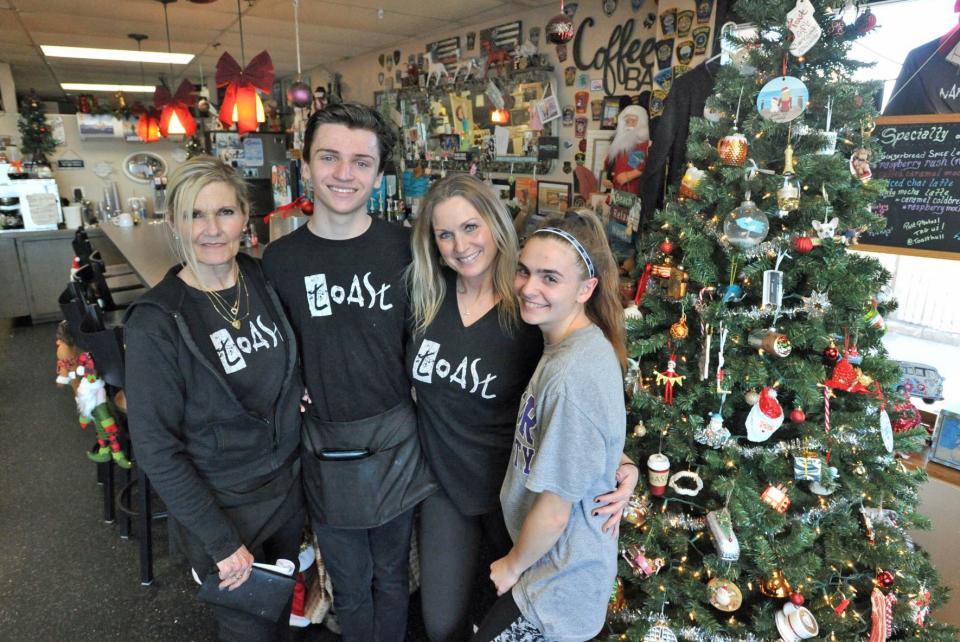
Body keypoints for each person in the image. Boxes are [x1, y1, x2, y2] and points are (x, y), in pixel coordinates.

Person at [408, 176, 638, 641]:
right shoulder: (425, 298)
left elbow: (578, 408)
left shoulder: (532, 313)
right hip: (446, 485)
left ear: (495, 227)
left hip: (516, 496)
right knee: (441, 619)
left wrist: (620, 459)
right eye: (444, 233)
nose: (460, 245)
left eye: (471, 227)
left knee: (496, 613)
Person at [262, 102, 436, 642]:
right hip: (324, 444)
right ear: (307, 164)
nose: (344, 174)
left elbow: (433, 339)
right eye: (330, 157)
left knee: (393, 574)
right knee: (349, 581)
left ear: (380, 173)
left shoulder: (407, 250)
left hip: (394, 436)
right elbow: (272, 354)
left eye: (361, 162)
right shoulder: (279, 260)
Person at [124, 156, 304, 641]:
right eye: (194, 215)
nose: (211, 230)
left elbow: (287, 359)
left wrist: (295, 390)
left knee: (286, 621)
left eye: (224, 212)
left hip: (286, 495)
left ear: (246, 217)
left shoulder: (260, 278)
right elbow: (157, 449)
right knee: (249, 632)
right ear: (172, 221)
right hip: (223, 509)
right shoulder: (157, 321)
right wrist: (222, 542)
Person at [473, 210, 628, 642]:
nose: (528, 287)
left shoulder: (569, 375)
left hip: (555, 585)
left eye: (549, 278)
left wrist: (513, 564)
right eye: (524, 271)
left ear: (586, 289)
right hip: (549, 569)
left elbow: (557, 511)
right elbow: (592, 438)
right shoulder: (578, 346)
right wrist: (623, 463)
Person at [602, 104, 650, 194]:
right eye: (627, 121)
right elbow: (608, 165)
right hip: (616, 192)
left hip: (634, 192)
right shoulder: (618, 145)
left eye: (633, 121)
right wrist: (607, 180)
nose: (629, 124)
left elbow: (647, 167)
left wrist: (629, 175)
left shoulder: (644, 144)